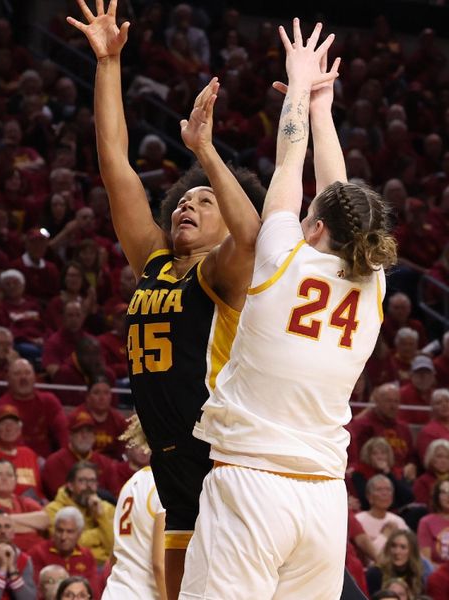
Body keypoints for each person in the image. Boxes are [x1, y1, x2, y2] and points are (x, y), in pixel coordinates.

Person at [181, 18, 395, 598]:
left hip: (253, 483)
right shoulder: (370, 285)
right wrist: (322, 105)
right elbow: (340, 190)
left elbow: (288, 165)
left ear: (316, 226)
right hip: (324, 497)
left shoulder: (283, 258)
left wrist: (300, 91)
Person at [69, 2, 266, 596]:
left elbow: (254, 234)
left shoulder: (225, 273)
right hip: (172, 463)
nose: (188, 204)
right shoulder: (154, 261)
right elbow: (114, 166)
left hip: (223, 458)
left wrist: (207, 153)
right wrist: (107, 64)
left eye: (206, 202)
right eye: (185, 199)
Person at [103, 417, 167, 600]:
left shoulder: (132, 482)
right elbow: (160, 564)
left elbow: (115, 556)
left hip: (114, 591)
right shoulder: (166, 486)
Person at [0, 358, 68, 458]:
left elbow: (63, 431)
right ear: (8, 379)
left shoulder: (49, 400)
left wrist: (66, 456)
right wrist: (34, 459)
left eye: (27, 373)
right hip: (13, 460)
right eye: (17, 374)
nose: (23, 378)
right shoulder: (1, 406)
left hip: (48, 461)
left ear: (34, 377)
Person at [45, 461, 116, 565]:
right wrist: (100, 535)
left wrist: (101, 517)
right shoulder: (54, 510)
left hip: (106, 568)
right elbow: (66, 543)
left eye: (92, 481)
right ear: (70, 485)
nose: (88, 486)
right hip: (71, 564)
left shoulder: (107, 509)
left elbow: (114, 546)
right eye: (82, 481)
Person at [42, 409, 118, 499]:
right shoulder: (54, 462)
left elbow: (114, 496)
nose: (84, 435)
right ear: (70, 435)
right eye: (79, 431)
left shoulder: (106, 463)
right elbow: (61, 497)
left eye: (89, 431)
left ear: (94, 436)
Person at [30, 506, 100, 597]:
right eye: (60, 530)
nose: (63, 537)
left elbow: (93, 592)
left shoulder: (87, 556)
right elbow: (34, 592)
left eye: (69, 532)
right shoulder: (38, 553)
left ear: (79, 534)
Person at [0, 404, 44, 501]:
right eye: (3, 424)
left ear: (19, 430)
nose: (9, 429)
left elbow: (40, 493)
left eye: (13, 424)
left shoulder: (29, 454)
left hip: (33, 508)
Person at [365, 529, 432, 597]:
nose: (397, 552)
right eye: (393, 546)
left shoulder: (418, 575)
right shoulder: (375, 573)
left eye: (403, 547)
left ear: (412, 551)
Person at [356, 475, 410, 555]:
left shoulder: (398, 520)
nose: (385, 493)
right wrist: (384, 536)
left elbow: (411, 549)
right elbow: (370, 558)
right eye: (379, 490)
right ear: (369, 496)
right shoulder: (358, 520)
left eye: (388, 490)